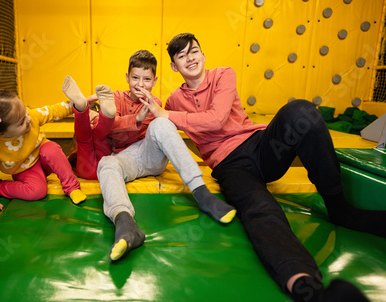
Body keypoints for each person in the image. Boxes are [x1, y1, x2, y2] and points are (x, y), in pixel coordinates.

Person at [139, 32, 386, 301]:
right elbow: (151, 127)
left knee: (301, 111)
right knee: (259, 209)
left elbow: (217, 119)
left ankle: (340, 210)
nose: (190, 57)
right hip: (229, 164)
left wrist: (166, 114)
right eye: (182, 55)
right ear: (174, 66)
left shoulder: (223, 75)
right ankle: (305, 285)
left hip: (261, 146)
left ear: (203, 55)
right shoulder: (173, 101)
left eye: (194, 51)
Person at [95, 49, 236, 262]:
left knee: (162, 122)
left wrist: (150, 113)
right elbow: (107, 128)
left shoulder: (156, 102)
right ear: (127, 77)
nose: (140, 84)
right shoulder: (116, 98)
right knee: (106, 164)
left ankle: (203, 194)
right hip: (126, 158)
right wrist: (137, 118)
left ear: (154, 81)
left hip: (149, 156)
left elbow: (160, 136)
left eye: (146, 79)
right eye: (135, 78)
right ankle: (125, 224)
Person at [0, 89, 86, 215]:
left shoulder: (29, 116)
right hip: (25, 170)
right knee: (37, 192)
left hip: (43, 155)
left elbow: (54, 110)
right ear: (0, 134)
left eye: (25, 112)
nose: (28, 119)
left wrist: (79, 104)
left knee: (51, 148)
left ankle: (72, 187)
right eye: (21, 122)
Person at [62, 76, 116, 180]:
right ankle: (89, 113)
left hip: (88, 170)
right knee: (96, 136)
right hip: (104, 168)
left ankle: (81, 110)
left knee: (87, 139)